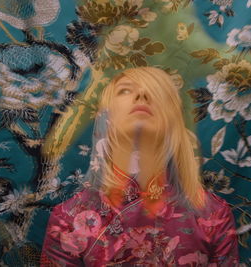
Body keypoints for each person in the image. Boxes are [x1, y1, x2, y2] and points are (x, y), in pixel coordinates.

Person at [40, 67, 239, 266]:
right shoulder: (68, 220)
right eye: (125, 90)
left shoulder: (212, 215)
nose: (142, 95)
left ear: (174, 120)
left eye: (156, 92)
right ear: (106, 115)